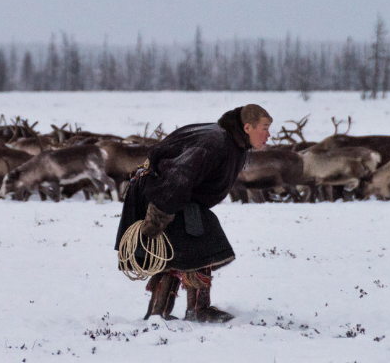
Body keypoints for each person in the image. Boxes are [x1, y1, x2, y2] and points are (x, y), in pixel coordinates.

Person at [114, 104, 272, 323]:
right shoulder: (215, 144)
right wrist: (157, 217)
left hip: (175, 195)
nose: (269, 134)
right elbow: (178, 176)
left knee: (180, 247)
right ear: (247, 127)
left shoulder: (231, 142)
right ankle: (196, 311)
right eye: (264, 128)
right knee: (200, 240)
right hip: (161, 193)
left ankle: (160, 313)